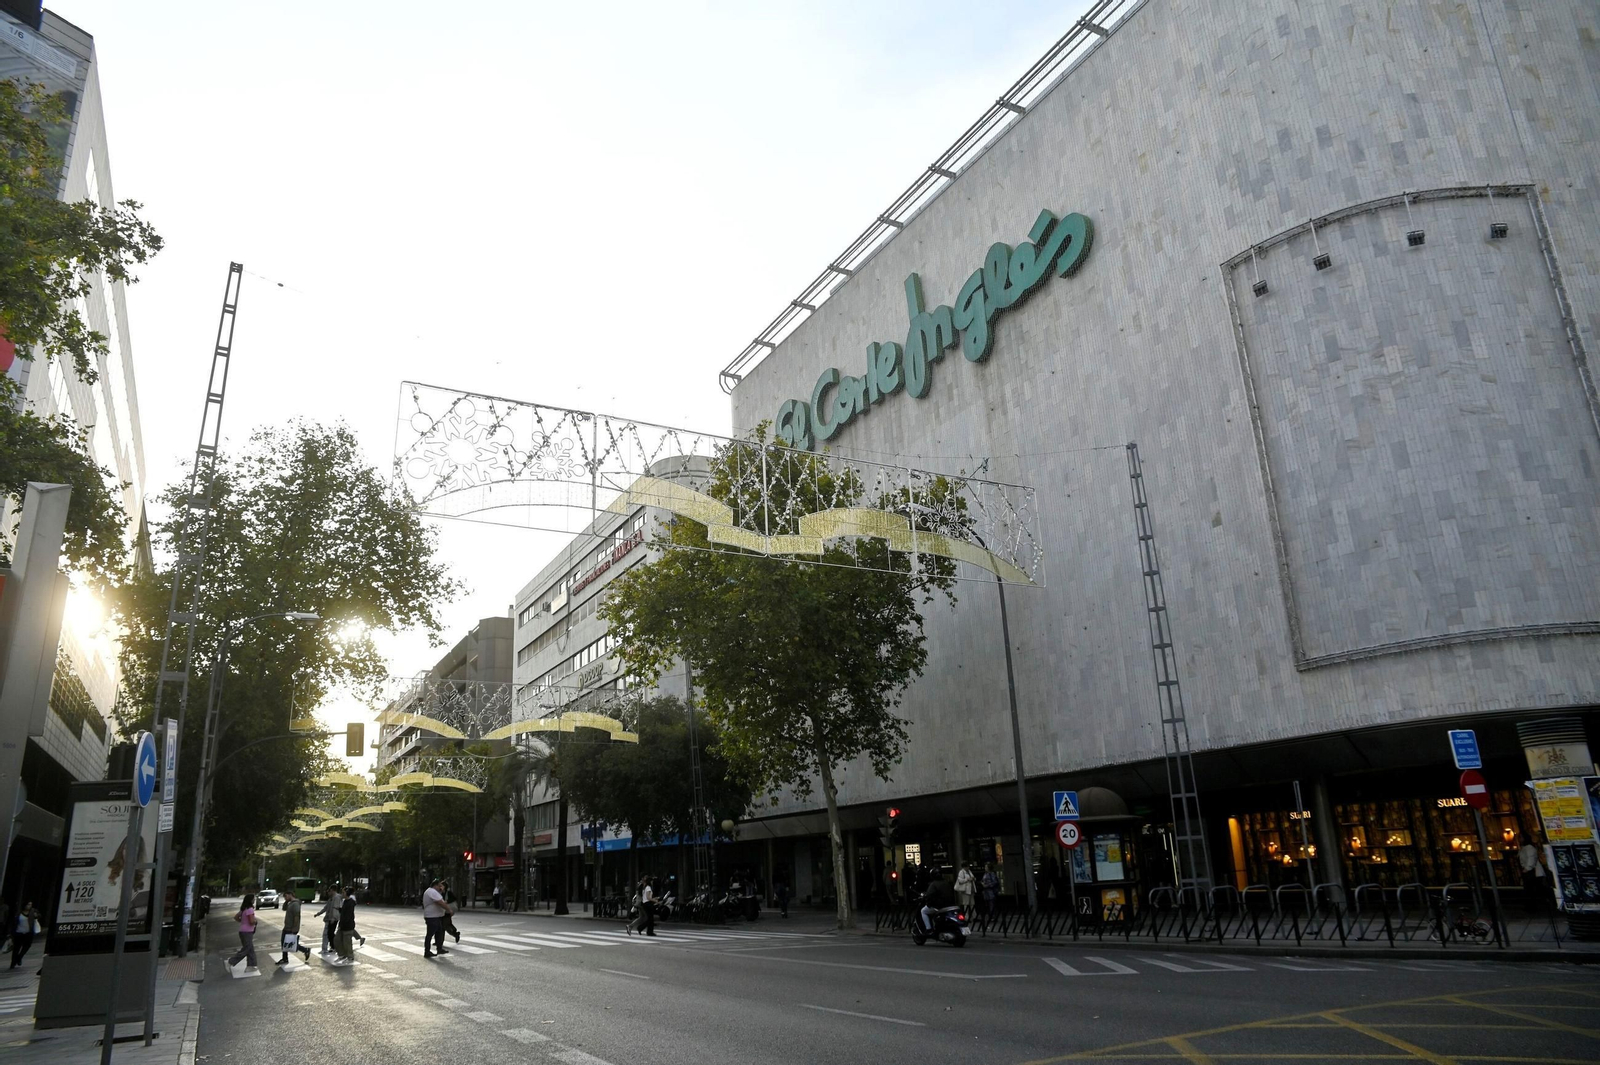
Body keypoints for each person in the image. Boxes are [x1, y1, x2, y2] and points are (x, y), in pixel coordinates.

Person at [277, 893, 312, 966]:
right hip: (287, 926)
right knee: (285, 943)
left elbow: (296, 916)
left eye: (286, 896)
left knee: (290, 943)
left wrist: (294, 927)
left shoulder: (295, 904)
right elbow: (284, 908)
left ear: (290, 895)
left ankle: (305, 950)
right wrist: (286, 901)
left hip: (291, 927)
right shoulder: (290, 903)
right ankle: (285, 958)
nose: (285, 898)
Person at [919, 867, 957, 935]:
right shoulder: (946, 883)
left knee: (923, 911)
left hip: (938, 906)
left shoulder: (933, 884)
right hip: (949, 905)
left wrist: (927, 899)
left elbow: (929, 895)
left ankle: (929, 929)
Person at [228, 893, 258, 971]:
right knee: (246, 949)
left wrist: (243, 922)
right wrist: (255, 921)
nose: (254, 900)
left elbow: (236, 917)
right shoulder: (250, 909)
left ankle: (251, 966)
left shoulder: (244, 909)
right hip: (247, 932)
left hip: (242, 930)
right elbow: (251, 921)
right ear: (250, 900)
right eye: (253, 899)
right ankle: (231, 961)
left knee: (250, 949)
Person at [422, 877, 452, 958]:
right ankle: (427, 951)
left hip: (435, 916)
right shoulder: (432, 891)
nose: (441, 887)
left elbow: (440, 900)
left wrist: (442, 891)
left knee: (439, 933)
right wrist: (448, 909)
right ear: (435, 885)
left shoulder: (433, 892)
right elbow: (440, 902)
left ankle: (439, 948)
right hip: (432, 917)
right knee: (430, 934)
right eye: (440, 886)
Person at [9, 902, 39, 970]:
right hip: (19, 933)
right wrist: (11, 933)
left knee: (27, 946)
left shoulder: (33, 912)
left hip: (28, 933)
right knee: (16, 948)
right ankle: (13, 963)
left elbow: (38, 916)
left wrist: (36, 915)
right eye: (28, 904)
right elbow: (13, 923)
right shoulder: (19, 913)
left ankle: (19, 957)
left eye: (30, 904)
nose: (29, 906)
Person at [334, 885, 361, 963]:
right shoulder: (345, 901)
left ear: (347, 893)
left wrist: (344, 922)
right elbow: (343, 912)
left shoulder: (351, 902)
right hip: (342, 925)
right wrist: (339, 910)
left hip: (348, 926)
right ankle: (342, 955)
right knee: (337, 940)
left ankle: (350, 957)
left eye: (343, 892)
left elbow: (348, 915)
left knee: (347, 943)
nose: (342, 894)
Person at [1520, 841, 1550, 910]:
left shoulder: (1529, 848)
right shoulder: (1526, 848)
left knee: (1532, 888)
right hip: (1531, 871)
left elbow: (1531, 858)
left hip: (1531, 871)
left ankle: (1534, 906)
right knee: (1534, 888)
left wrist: (1527, 868)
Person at [314, 888, 340, 955]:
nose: (328, 893)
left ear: (332, 891)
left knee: (329, 933)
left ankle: (332, 947)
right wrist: (318, 914)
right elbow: (325, 908)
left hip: (333, 918)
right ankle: (330, 947)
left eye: (329, 892)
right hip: (329, 918)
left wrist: (333, 918)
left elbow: (336, 909)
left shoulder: (336, 898)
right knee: (328, 934)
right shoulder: (330, 899)